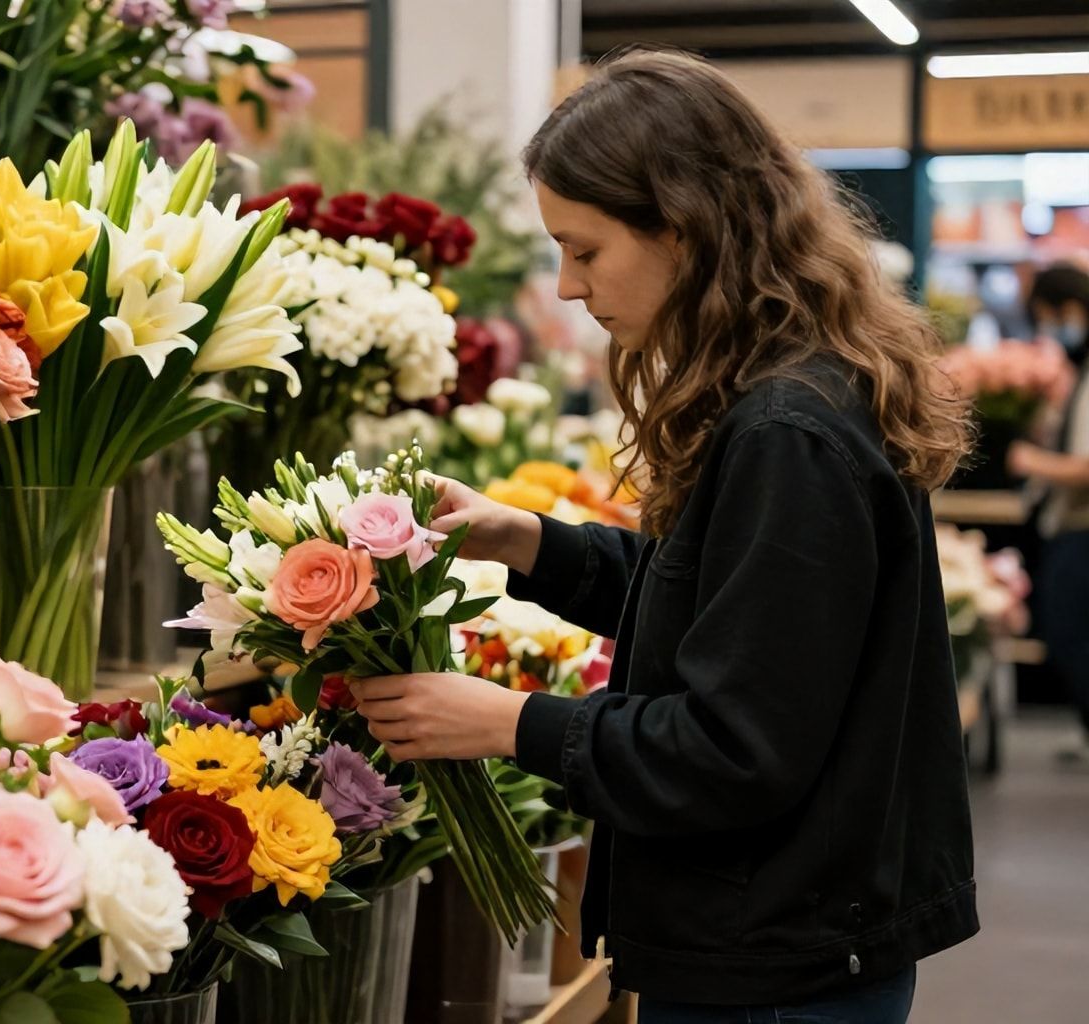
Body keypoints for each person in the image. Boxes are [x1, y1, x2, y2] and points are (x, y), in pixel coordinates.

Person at [351, 50, 978, 1023]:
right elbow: (734, 611)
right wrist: (526, 541)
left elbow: (735, 748)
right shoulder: (791, 389)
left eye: (585, 250)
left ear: (682, 228)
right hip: (789, 938)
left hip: (775, 966)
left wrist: (508, 722)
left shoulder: (785, 431)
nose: (568, 286)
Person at [1008, 264, 1089, 758]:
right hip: (1071, 525)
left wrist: (1031, 460)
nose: (1049, 330)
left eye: (1048, 317)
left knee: (1067, 632)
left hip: (1081, 527)